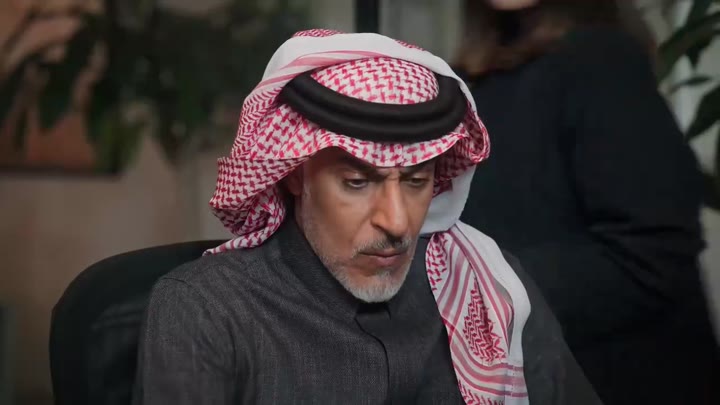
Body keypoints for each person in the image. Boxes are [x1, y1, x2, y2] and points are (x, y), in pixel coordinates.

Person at [131, 29, 601, 404]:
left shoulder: (488, 287)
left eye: (416, 181)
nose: (396, 223)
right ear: (294, 175)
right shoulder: (206, 311)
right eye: (357, 182)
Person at [455, 1, 720, 404]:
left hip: (620, 379)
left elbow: (651, 255)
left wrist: (479, 291)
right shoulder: (473, 80)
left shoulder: (600, 60)